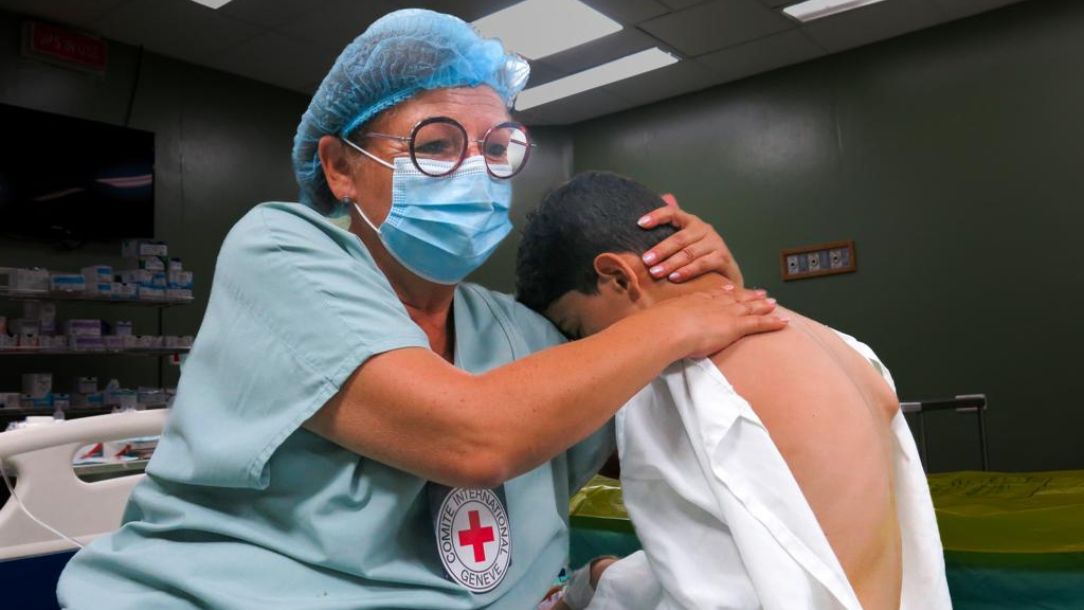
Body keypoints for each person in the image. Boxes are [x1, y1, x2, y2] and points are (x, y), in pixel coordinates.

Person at [56, 10, 788, 610]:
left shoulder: (518, 333)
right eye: (436, 145)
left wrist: (703, 287)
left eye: (499, 148)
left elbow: (701, 449)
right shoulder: (281, 249)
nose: (476, 169)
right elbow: (473, 441)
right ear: (341, 168)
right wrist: (679, 320)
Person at [515, 172, 952, 610]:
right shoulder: (846, 348)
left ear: (618, 278)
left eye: (579, 328)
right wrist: (599, 580)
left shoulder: (683, 385)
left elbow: (713, 597)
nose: (589, 350)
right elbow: (767, 551)